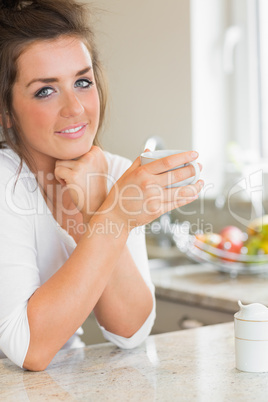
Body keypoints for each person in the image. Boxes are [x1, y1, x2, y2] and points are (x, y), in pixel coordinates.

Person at [0, 0, 203, 371]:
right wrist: (116, 214)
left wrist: (99, 205)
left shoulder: (115, 173)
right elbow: (29, 348)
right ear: (6, 112)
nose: (75, 108)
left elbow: (130, 330)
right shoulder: (4, 180)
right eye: (45, 90)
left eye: (82, 81)